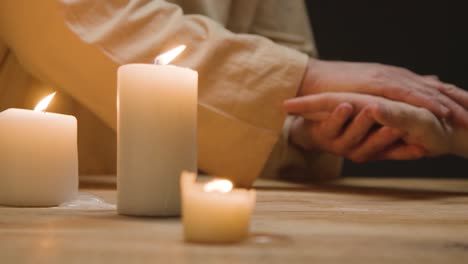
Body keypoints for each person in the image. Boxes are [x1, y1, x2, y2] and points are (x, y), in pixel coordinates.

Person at [0, 0, 466, 187]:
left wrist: (305, 129)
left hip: (215, 205)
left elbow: (278, 43)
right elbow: (56, 16)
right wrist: (307, 78)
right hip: (64, 199)